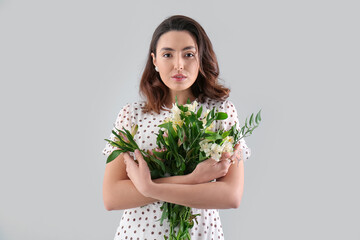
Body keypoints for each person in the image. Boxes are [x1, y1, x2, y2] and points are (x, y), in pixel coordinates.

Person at [102, 15, 251, 240]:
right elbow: (112, 197)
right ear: (154, 60)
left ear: (201, 58)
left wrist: (148, 187)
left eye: (188, 54)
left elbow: (230, 196)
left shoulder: (221, 113)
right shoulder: (131, 115)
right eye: (167, 54)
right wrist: (192, 179)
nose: (178, 64)